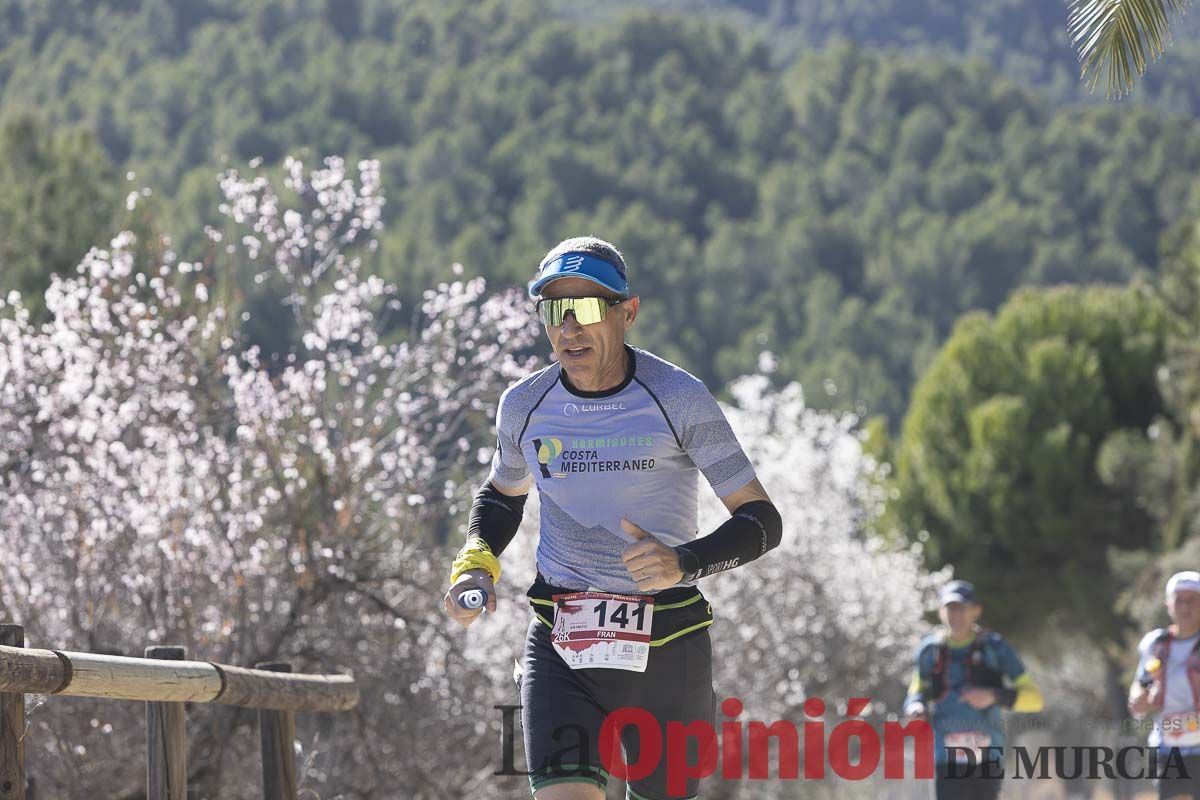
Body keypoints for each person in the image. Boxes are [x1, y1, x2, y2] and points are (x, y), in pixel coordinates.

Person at [442, 236, 782, 800]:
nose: (569, 328)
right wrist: (476, 564)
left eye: (589, 308)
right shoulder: (524, 404)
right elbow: (502, 497)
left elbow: (762, 521)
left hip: (667, 644)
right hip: (562, 638)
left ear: (628, 312)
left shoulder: (678, 396)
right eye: (554, 310)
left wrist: (684, 562)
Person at [903, 579, 1044, 799]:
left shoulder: (995, 649)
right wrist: (915, 706)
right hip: (946, 758)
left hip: (988, 758)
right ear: (940, 612)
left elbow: (1035, 699)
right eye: (949, 608)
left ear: (976, 611)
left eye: (961, 608)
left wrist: (994, 695)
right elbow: (916, 689)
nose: (955, 616)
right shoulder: (929, 652)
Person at [1129, 571, 1200, 799]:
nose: (1185, 607)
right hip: (1167, 746)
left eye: (1192, 600)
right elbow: (1141, 683)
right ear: (1168, 604)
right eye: (1179, 600)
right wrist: (1138, 699)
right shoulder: (1156, 644)